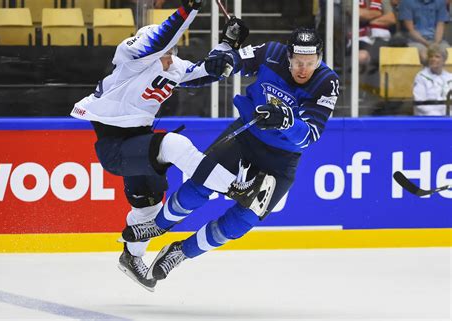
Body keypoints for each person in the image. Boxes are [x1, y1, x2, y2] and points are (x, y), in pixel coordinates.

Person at [70, 1, 275, 292]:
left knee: (148, 209)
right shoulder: (131, 56)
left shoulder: (173, 65)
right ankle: (236, 188)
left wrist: (228, 43)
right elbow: (163, 37)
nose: (170, 59)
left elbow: (207, 71)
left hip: (137, 143)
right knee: (174, 145)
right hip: (115, 146)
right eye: (167, 53)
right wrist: (189, 7)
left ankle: (131, 256)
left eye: (173, 54)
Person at [120, 23, 340, 286]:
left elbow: (310, 135)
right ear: (288, 56)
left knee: (241, 222)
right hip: (245, 137)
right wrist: (226, 56)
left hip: (282, 159)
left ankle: (179, 252)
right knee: (199, 185)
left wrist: (285, 120)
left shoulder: (327, 82)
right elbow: (236, 60)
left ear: (320, 59)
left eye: (311, 62)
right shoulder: (271, 51)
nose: (304, 69)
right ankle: (158, 225)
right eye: (298, 62)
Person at [413, 44, 452, 115]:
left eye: (437, 57)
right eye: (431, 56)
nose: (433, 59)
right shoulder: (421, 77)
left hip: (448, 116)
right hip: (428, 117)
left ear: (444, 60)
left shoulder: (450, 77)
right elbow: (420, 103)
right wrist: (437, 116)